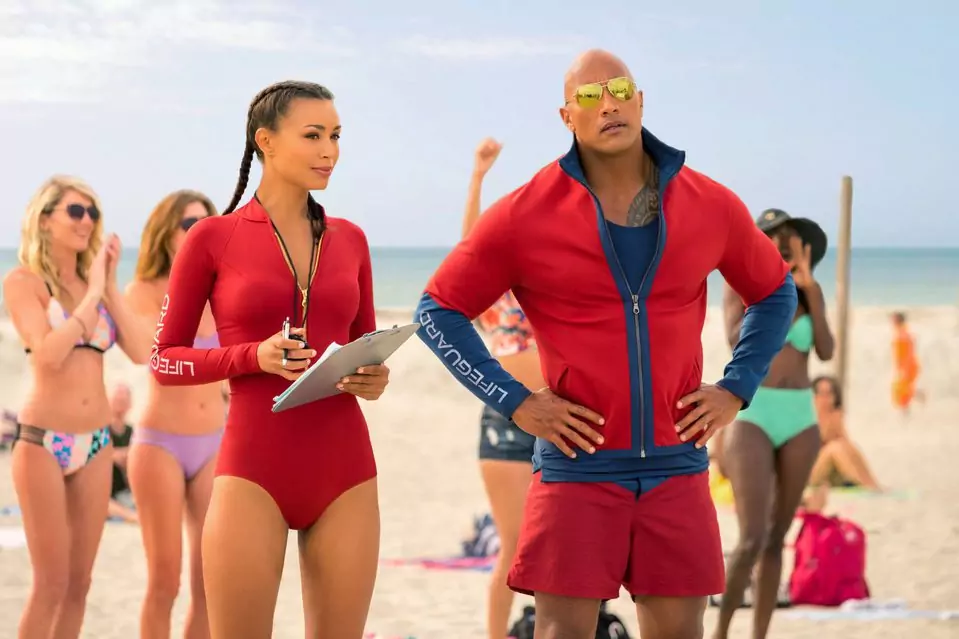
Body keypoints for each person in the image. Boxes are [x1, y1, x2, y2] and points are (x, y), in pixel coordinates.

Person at [415, 50, 797, 639]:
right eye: (589, 96)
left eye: (619, 89)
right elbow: (437, 310)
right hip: (576, 469)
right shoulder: (526, 213)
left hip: (677, 467)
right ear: (567, 116)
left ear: (640, 100)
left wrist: (736, 387)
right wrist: (515, 402)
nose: (608, 104)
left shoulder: (709, 203)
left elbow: (775, 291)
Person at [150, 80, 392, 638]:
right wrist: (251, 356)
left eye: (335, 136)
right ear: (267, 141)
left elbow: (366, 342)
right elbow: (163, 361)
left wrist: (374, 377)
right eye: (313, 135)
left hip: (346, 469)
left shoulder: (351, 240)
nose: (329, 151)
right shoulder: (212, 238)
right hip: (253, 469)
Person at [2, 175, 150, 638]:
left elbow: (142, 352)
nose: (87, 221)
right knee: (50, 584)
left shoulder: (96, 285)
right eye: (75, 211)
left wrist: (107, 288)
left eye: (92, 212)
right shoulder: (23, 282)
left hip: (97, 443)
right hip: (43, 443)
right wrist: (92, 293)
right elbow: (47, 354)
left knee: (79, 585)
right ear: (45, 220)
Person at [715, 207, 834, 639]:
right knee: (750, 538)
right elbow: (737, 340)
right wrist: (772, 286)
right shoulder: (739, 284)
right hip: (755, 412)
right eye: (772, 238)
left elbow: (825, 350)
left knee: (776, 537)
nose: (781, 246)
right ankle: (720, 632)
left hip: (800, 416)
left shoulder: (809, 291)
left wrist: (810, 289)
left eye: (787, 239)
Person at [125, 189, 225, 638]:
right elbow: (158, 359)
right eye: (189, 225)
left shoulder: (222, 291)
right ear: (166, 234)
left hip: (214, 442)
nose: (199, 232)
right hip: (160, 444)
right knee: (165, 581)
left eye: (206, 224)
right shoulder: (143, 292)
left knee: (210, 584)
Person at [465, 138, 547, 639]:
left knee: (562, 548)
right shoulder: (492, 294)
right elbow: (470, 249)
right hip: (505, 422)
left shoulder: (558, 285)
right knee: (514, 548)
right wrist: (478, 178)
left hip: (563, 420)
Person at [808, 375, 880, 490]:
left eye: (829, 394)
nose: (825, 399)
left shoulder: (834, 416)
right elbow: (817, 444)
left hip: (828, 468)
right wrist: (827, 421)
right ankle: (863, 485)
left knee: (847, 447)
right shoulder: (809, 417)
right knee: (834, 448)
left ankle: (872, 484)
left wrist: (835, 422)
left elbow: (845, 444)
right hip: (809, 473)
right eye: (821, 394)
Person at [107, 382, 138, 523]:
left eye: (123, 401)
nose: (120, 405)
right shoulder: (100, 430)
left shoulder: (133, 433)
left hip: (125, 491)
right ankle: (133, 517)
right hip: (105, 492)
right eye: (117, 400)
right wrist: (113, 455)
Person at [890, 311, 923, 414]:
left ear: (898, 320)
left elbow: (908, 353)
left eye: (894, 319)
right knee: (903, 389)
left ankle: (907, 410)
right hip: (906, 366)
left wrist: (905, 368)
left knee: (901, 389)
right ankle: (919, 399)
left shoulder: (903, 333)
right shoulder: (900, 332)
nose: (892, 322)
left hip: (908, 366)